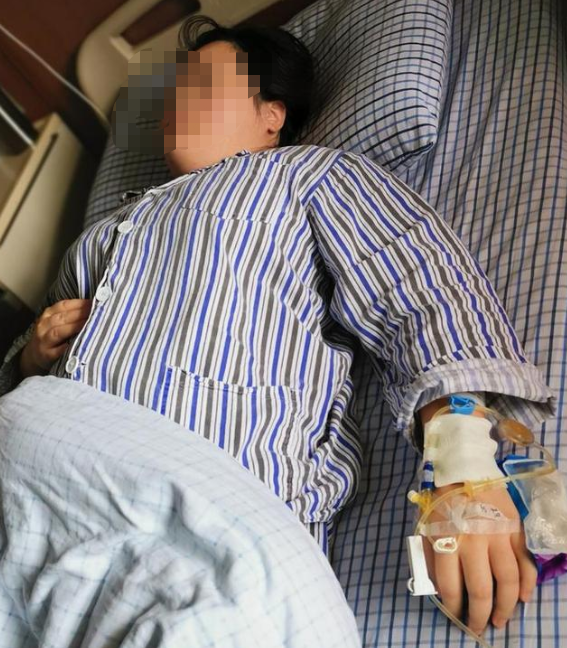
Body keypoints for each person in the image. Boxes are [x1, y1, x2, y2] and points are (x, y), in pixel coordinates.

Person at [0, 14, 557, 638]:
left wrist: (463, 462)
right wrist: (29, 355)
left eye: (202, 84)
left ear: (272, 115)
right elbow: (21, 376)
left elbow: (418, 283)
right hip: (31, 466)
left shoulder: (306, 176)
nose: (176, 98)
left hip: (203, 502)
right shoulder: (101, 235)